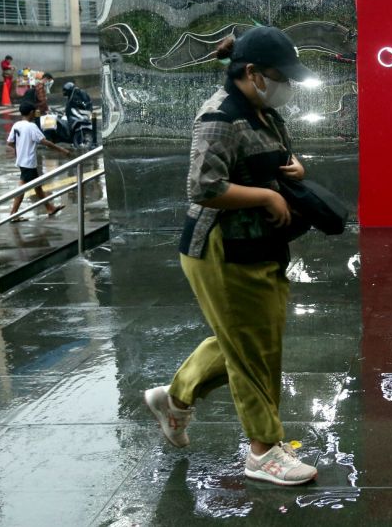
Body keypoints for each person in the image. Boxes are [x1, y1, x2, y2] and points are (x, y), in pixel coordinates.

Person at [143, 26, 319, 486]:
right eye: (281, 76)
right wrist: (264, 196)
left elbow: (269, 157)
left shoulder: (261, 111)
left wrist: (293, 166)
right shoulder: (219, 116)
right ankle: (263, 451)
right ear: (252, 73)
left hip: (259, 247)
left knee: (245, 341)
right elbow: (203, 187)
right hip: (221, 250)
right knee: (253, 352)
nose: (287, 86)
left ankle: (175, 398)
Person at [7, 102, 69, 222]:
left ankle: (49, 208)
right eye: (34, 112)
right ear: (31, 113)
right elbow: (45, 142)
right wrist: (62, 150)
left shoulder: (16, 125)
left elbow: (10, 142)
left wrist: (19, 149)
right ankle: (13, 214)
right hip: (28, 162)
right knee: (23, 188)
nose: (35, 115)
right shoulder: (31, 126)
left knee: (37, 187)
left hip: (22, 161)